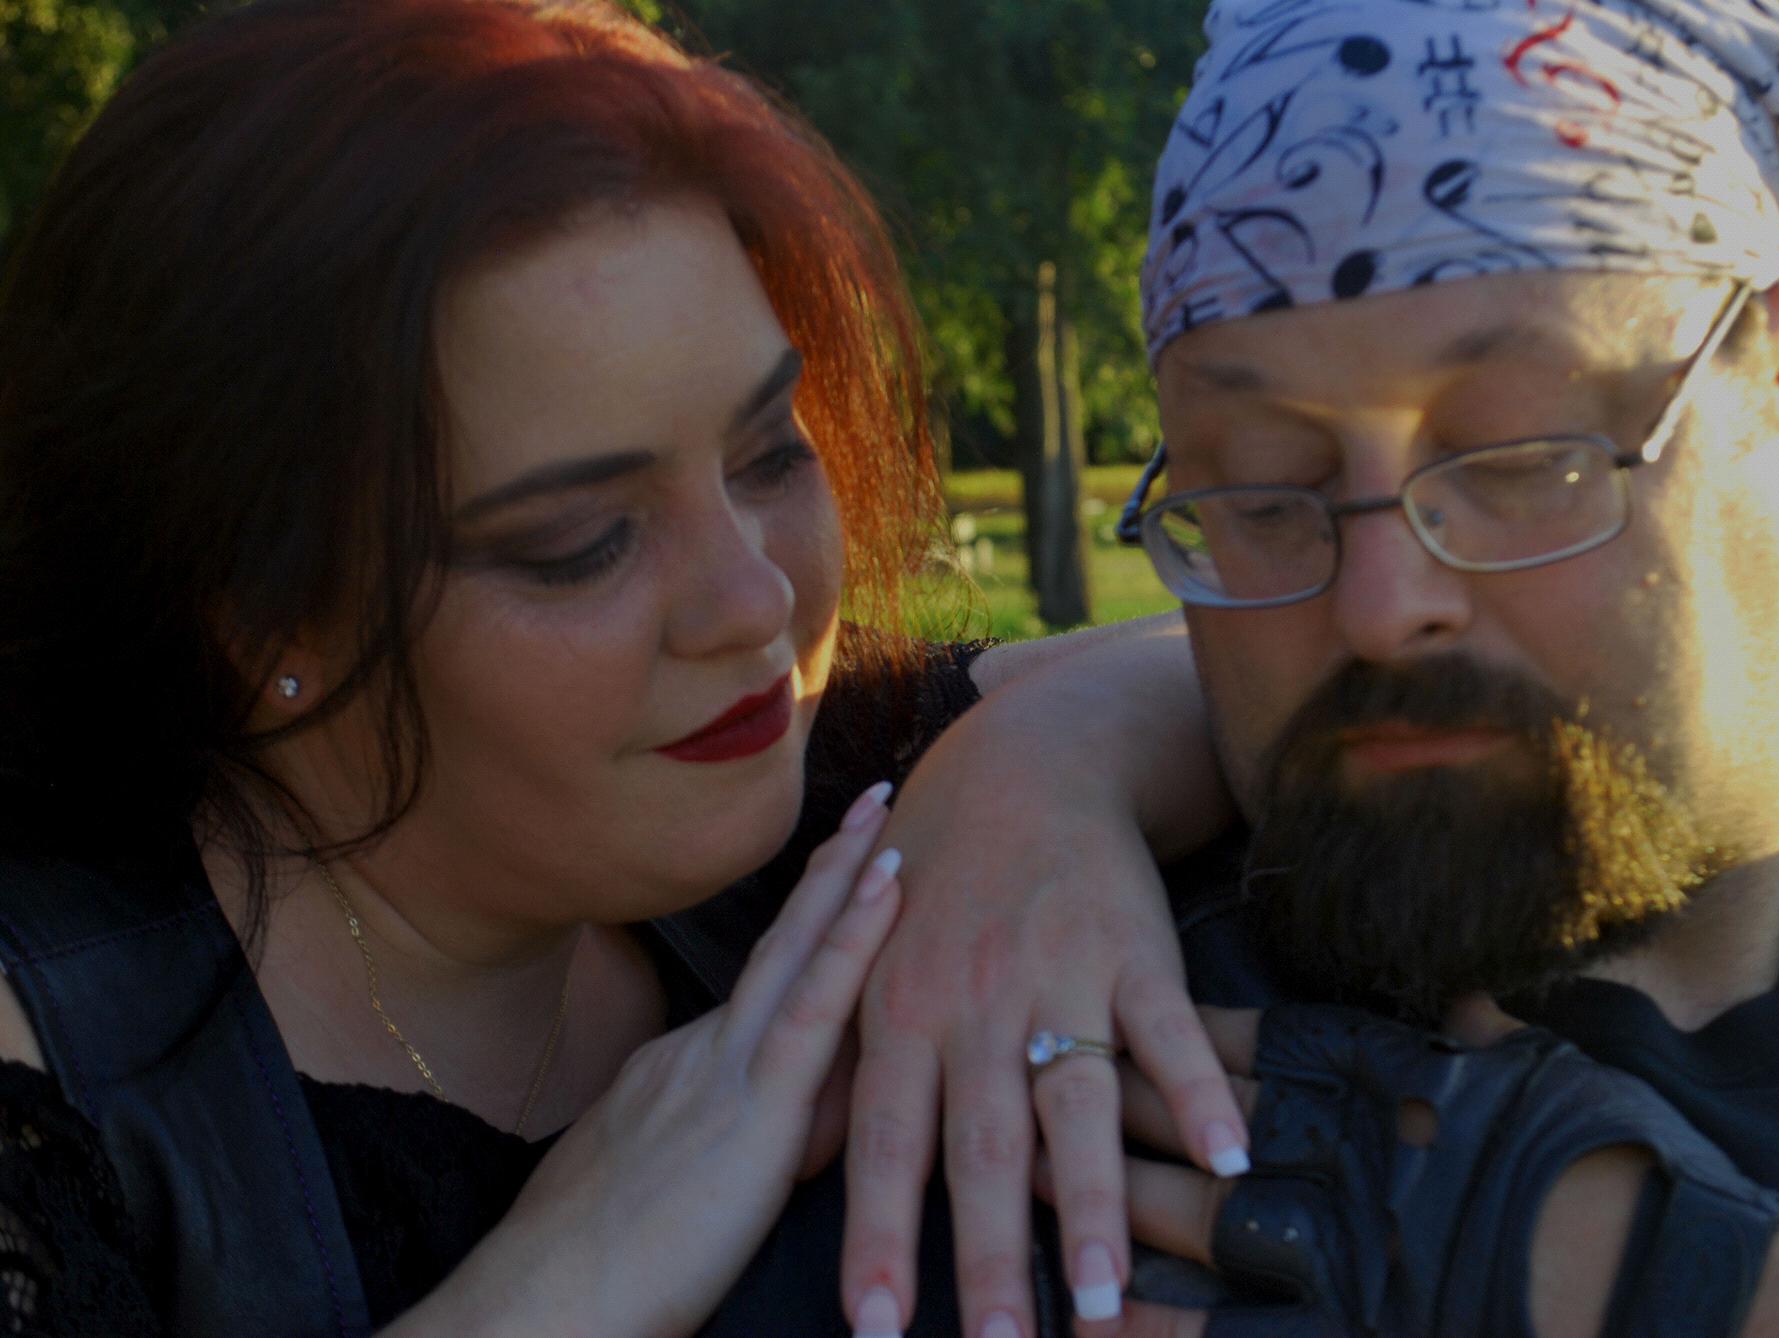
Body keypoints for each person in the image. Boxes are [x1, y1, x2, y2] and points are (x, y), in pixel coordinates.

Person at [0, 1, 1254, 1333]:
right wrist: (564, 1278)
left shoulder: (815, 782)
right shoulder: (54, 1080)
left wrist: (1038, 766)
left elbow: (1270, 654)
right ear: (263, 620)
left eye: (770, 454)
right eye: (583, 543)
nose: (755, 599)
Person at [1056, 0, 1779, 1333]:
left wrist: (1634, 1275)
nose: (1382, 608)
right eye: (1263, 492)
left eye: (1517, 457)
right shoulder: (1058, 1052)